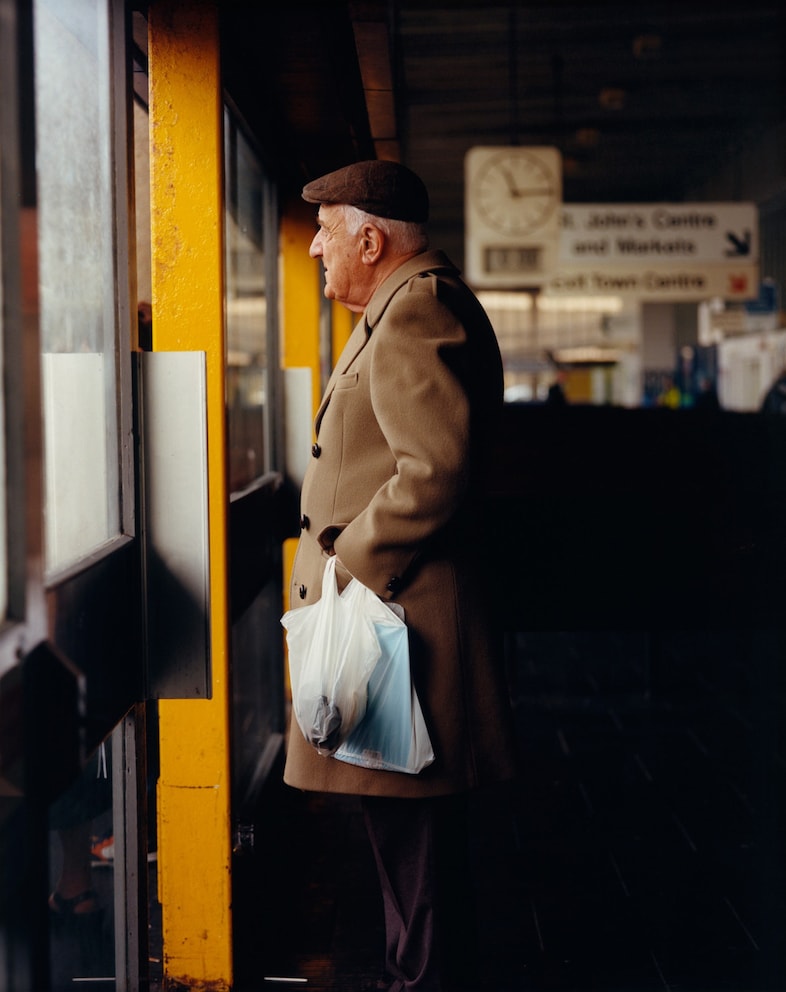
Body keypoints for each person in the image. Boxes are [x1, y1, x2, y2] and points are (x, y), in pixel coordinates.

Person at [283, 160, 518, 992]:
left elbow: (434, 470)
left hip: (402, 644)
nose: (314, 248)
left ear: (371, 239)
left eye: (325, 231)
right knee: (412, 874)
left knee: (417, 882)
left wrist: (352, 560)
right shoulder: (403, 306)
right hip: (401, 637)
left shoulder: (415, 310)